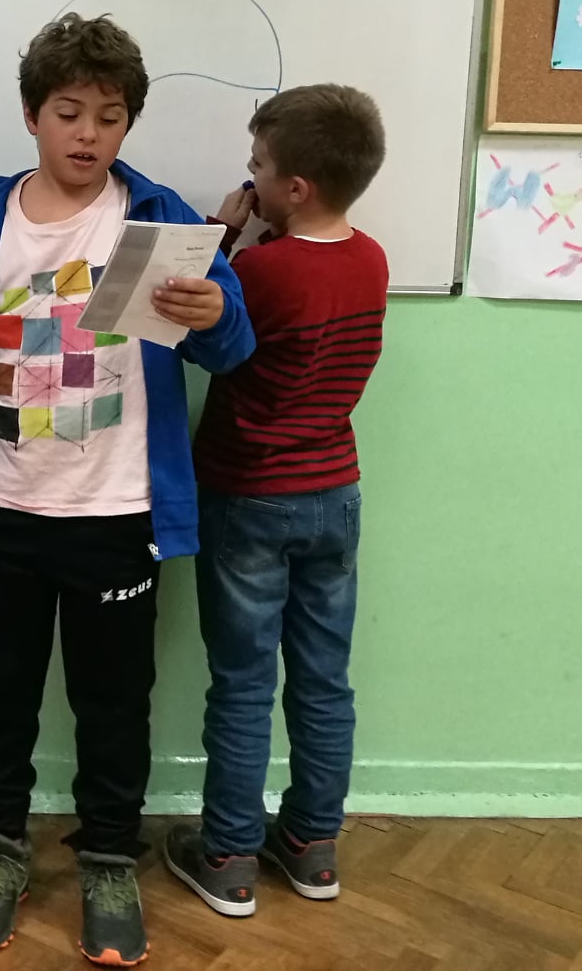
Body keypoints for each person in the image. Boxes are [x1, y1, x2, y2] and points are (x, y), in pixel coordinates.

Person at [0, 14, 254, 966]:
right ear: (32, 115)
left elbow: (230, 346)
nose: (88, 134)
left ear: (129, 123)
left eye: (109, 116)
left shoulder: (159, 218)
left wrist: (215, 313)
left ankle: (107, 859)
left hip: (116, 513)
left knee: (114, 704)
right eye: (68, 113)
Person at [162, 85, 387, 919]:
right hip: (335, 493)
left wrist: (221, 235)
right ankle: (312, 845)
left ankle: (227, 854)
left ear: (294, 187)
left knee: (243, 685)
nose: (248, 176)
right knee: (324, 682)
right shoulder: (373, 260)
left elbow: (198, 336)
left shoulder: (261, 269)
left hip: (250, 496)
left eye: (257, 165)